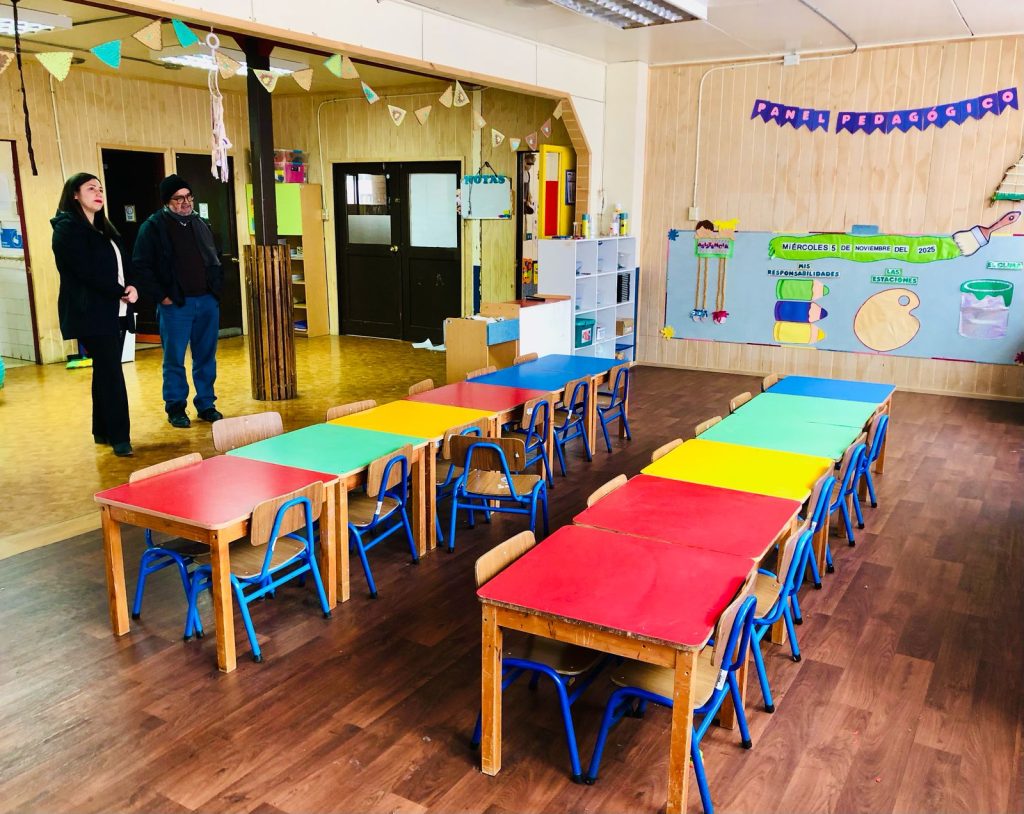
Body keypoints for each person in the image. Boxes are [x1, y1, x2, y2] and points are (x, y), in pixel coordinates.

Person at [52, 173, 139, 457]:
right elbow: (85, 272)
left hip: (117, 308)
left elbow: (123, 265)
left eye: (100, 189)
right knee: (112, 372)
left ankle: (102, 429)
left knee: (105, 369)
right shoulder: (67, 229)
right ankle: (120, 437)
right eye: (91, 189)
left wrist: (132, 286)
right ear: (75, 195)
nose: (98, 193)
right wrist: (119, 290)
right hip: (91, 312)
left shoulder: (105, 229)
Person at [133, 174, 224, 428]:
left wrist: (215, 290)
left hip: (206, 300)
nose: (185, 202)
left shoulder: (201, 223)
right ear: (167, 201)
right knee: (174, 359)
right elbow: (141, 266)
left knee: (206, 357)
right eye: (178, 198)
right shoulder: (153, 227)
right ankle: (176, 408)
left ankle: (206, 404)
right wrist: (162, 296)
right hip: (175, 305)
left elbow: (215, 258)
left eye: (188, 197)